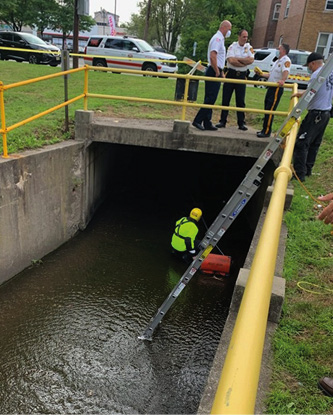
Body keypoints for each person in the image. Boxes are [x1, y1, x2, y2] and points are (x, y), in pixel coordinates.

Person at [291, 52, 333, 182]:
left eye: (309, 66)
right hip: (325, 112)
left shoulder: (316, 75)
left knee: (302, 143)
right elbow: (315, 91)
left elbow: (310, 95)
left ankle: (299, 173)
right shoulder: (329, 73)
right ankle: (308, 169)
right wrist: (300, 93)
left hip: (316, 114)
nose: (309, 69)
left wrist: (299, 104)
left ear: (313, 63)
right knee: (314, 143)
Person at [192, 20, 232, 131]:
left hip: (216, 69)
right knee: (210, 98)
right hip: (214, 70)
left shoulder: (220, 39)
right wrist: (217, 71)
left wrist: (221, 72)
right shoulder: (217, 39)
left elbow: (219, 58)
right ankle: (197, 120)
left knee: (210, 98)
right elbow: (213, 56)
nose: (230, 32)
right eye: (229, 29)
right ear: (224, 27)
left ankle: (207, 122)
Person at [216, 29, 254, 131]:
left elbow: (251, 60)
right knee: (226, 98)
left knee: (240, 100)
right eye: (243, 37)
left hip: (242, 75)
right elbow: (231, 61)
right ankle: (222, 121)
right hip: (231, 74)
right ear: (239, 37)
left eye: (246, 37)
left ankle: (241, 123)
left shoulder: (249, 47)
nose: (245, 39)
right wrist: (243, 62)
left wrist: (239, 60)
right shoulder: (232, 46)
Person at [256, 44, 291, 138]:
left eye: (279, 49)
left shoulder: (286, 60)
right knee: (267, 108)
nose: (277, 50)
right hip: (270, 87)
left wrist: (283, 80)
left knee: (270, 109)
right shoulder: (277, 61)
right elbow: (271, 74)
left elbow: (286, 71)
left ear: (283, 51)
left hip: (276, 88)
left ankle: (267, 131)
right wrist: (261, 74)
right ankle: (264, 129)